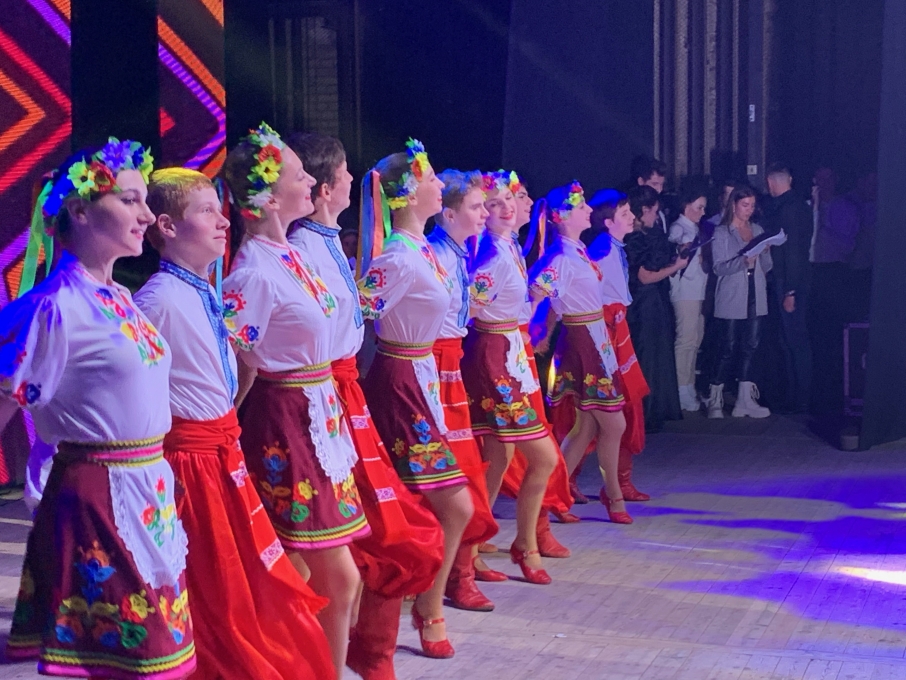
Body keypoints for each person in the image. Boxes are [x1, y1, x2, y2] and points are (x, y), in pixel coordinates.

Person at [1, 139, 197, 678]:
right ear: (80, 211)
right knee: (144, 662)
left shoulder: (120, 298)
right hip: (97, 497)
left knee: (158, 661)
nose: (147, 215)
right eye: (130, 201)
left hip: (147, 492)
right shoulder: (53, 307)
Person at [136, 167, 334, 679]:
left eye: (219, 210)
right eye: (207, 212)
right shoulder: (157, 301)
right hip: (189, 463)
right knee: (217, 599)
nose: (224, 221)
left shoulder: (201, 290)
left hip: (220, 452)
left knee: (243, 588)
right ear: (167, 226)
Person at [286, 132, 444, 679]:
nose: (356, 179)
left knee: (368, 534)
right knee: (360, 535)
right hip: (323, 395)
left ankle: (368, 646)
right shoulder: (301, 249)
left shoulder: (326, 242)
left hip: (343, 393)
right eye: (345, 173)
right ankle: (342, 651)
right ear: (326, 189)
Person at [221, 123, 369, 678]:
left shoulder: (293, 254)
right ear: (267, 196)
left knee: (307, 573)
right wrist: (231, 430)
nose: (310, 180)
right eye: (299, 174)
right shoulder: (253, 272)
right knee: (333, 576)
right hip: (285, 420)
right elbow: (237, 360)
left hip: (318, 414)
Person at [357, 139, 474, 659]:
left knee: (425, 504)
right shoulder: (398, 256)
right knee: (452, 503)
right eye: (429, 178)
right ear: (406, 193)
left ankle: (418, 604)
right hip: (399, 380)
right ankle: (422, 607)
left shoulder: (423, 248)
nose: (438, 184)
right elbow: (359, 312)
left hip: (422, 373)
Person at [460, 171, 561, 585]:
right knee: (543, 457)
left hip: (507, 351)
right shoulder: (494, 255)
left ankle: (473, 547)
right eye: (495, 202)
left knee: (498, 457)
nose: (506, 207)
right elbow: (467, 309)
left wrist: (532, 298)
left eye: (509, 199)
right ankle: (525, 543)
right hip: (493, 356)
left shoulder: (509, 248)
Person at [528, 182, 631, 524]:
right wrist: (534, 331)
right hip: (583, 340)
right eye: (581, 206)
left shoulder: (577, 251)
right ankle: (612, 493)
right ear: (562, 216)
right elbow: (536, 293)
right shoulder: (562, 257)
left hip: (594, 337)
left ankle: (554, 496)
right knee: (614, 423)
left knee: (586, 427)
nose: (589, 210)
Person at [427, 168, 502, 609]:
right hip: (432, 366)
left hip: (449, 363)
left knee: (466, 469)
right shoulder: (434, 253)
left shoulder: (457, 253)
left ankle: (462, 568)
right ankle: (451, 575)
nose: (485, 213)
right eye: (476, 207)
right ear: (450, 214)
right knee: (454, 473)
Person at [706, 185, 773, 419]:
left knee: (750, 345)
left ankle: (744, 400)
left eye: (752, 205)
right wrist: (744, 261)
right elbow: (719, 267)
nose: (749, 210)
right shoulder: (722, 232)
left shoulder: (757, 229)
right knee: (727, 346)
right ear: (733, 205)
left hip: (755, 291)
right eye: (745, 205)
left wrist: (765, 251)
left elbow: (768, 267)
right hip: (732, 294)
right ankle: (715, 398)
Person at [624, 185, 686, 431]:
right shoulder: (635, 238)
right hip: (643, 303)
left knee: (658, 353)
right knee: (647, 355)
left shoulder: (651, 235)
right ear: (644, 210)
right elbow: (645, 276)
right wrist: (676, 267)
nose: (655, 217)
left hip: (656, 300)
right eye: (653, 211)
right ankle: (646, 413)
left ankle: (657, 409)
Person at [763, 163, 814, 413]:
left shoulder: (787, 210)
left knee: (794, 340)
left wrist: (790, 291)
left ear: (770, 183)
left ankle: (800, 397)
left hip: (790, 283)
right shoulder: (799, 206)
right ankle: (797, 395)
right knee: (791, 340)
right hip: (794, 280)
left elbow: (793, 252)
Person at [668, 188, 709, 412]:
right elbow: (676, 249)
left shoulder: (695, 227)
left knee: (695, 338)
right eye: (699, 207)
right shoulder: (678, 227)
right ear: (686, 206)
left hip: (698, 289)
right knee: (685, 339)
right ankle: (680, 388)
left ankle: (689, 383)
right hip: (685, 291)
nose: (703, 212)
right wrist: (683, 249)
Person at [628, 156, 669, 234]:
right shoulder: (629, 212)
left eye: (661, 184)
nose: (659, 189)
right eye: (655, 184)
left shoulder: (662, 206)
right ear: (641, 181)